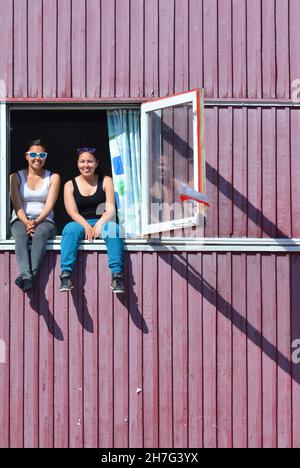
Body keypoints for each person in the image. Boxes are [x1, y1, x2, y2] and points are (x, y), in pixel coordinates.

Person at [59, 147, 125, 293]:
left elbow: (110, 208)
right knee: (69, 230)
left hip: (103, 220)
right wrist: (86, 226)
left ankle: (117, 276)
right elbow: (72, 212)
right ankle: (66, 275)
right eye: (82, 161)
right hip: (79, 222)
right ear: (77, 163)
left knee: (114, 230)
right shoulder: (69, 185)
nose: (86, 165)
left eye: (90, 161)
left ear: (96, 163)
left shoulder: (106, 180)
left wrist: (100, 223)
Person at [10, 139, 61, 292]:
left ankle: (27, 277)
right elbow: (17, 205)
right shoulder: (15, 177)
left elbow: (50, 204)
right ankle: (28, 277)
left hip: (45, 220)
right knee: (20, 235)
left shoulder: (53, 177)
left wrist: (36, 222)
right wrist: (26, 222)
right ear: (26, 156)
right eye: (33, 154)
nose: (37, 158)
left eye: (41, 155)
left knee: (40, 234)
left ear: (46, 157)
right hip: (20, 218)